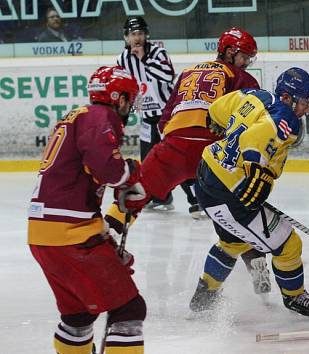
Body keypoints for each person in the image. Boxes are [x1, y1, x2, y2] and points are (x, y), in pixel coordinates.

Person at [105, 27, 272, 294]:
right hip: (212, 151)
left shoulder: (189, 72)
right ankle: (257, 266)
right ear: (230, 52)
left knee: (136, 191)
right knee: (232, 211)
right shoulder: (241, 77)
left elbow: (164, 117)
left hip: (174, 144)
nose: (247, 62)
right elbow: (253, 121)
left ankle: (105, 237)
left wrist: (172, 146)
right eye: (245, 56)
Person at [188, 67, 309, 319]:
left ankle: (204, 294)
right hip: (233, 191)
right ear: (287, 97)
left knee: (233, 242)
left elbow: (216, 109)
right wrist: (256, 169)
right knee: (288, 244)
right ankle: (294, 296)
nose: (307, 109)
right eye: (305, 102)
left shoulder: (253, 96)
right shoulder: (286, 117)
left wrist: (217, 124)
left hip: (206, 176)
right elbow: (255, 137)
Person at [28, 66, 147, 354]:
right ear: (118, 98)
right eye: (129, 99)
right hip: (72, 235)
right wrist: (130, 173)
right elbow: (108, 168)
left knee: (78, 316)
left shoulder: (77, 117)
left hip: (44, 235)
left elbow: (89, 171)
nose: (129, 106)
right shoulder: (99, 116)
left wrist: (104, 235)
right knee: (128, 310)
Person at [118, 16, 176, 211]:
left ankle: (195, 200)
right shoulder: (122, 60)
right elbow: (124, 89)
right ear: (126, 37)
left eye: (141, 33)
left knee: (174, 157)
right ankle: (162, 197)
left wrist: (143, 59)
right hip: (146, 117)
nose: (137, 38)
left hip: (168, 116)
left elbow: (168, 76)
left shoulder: (158, 53)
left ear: (146, 35)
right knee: (148, 161)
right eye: (133, 34)